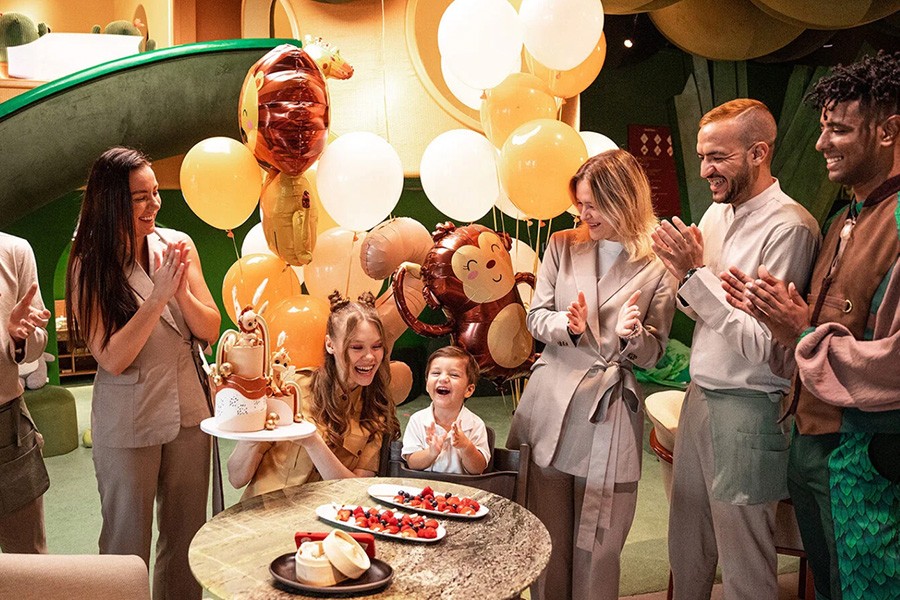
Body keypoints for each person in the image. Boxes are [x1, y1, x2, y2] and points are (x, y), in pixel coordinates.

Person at [722, 52, 900, 600]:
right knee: (828, 586)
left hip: (866, 459)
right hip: (812, 442)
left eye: (839, 130)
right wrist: (778, 320)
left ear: (890, 131)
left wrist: (799, 331)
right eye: (822, 130)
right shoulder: (847, 217)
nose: (822, 144)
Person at [650, 99, 821, 599]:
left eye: (717, 157)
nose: (705, 170)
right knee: (687, 548)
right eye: (703, 156)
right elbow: (701, 313)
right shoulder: (717, 212)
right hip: (699, 393)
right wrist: (684, 276)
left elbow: (764, 346)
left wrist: (693, 275)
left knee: (745, 561)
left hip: (750, 406)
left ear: (758, 153)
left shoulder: (790, 227)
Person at [507, 149, 676, 600]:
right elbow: (535, 316)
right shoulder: (563, 244)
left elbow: (654, 352)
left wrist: (633, 336)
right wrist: (567, 325)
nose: (584, 213)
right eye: (580, 203)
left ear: (624, 199)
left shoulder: (661, 262)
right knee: (545, 538)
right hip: (550, 405)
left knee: (599, 546)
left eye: (594, 204)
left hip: (609, 413)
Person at [65, 147, 221, 600]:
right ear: (110, 200)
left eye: (156, 193)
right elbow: (112, 357)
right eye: (140, 197)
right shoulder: (88, 263)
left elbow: (208, 328)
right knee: (126, 543)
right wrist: (157, 298)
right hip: (128, 417)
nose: (154, 204)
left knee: (186, 536)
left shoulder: (178, 245)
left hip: (190, 413)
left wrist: (179, 295)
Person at [227, 292, 401, 499]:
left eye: (377, 346)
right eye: (356, 347)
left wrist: (312, 442)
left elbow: (355, 493)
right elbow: (236, 478)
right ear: (330, 345)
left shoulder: (375, 411)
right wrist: (254, 425)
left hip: (322, 524)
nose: (370, 357)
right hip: (263, 515)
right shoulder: (290, 389)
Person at [0, 233, 51, 554]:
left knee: (29, 559)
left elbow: (36, 342)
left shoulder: (14, 250)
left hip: (7, 427)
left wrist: (21, 338)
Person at [402, 346, 490, 475]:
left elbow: (478, 469)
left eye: (454, 375)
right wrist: (431, 452)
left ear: (469, 390)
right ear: (427, 385)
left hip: (462, 491)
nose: (443, 379)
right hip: (423, 490)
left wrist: (467, 447)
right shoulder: (418, 420)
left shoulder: (475, 424)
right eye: (436, 373)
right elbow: (412, 463)